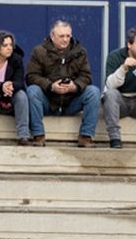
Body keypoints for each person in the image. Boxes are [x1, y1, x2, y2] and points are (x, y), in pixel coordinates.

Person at [24, 19, 101, 147]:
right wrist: (50, 86)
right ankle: (38, 136)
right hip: (48, 101)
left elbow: (86, 76)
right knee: (32, 91)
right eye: (61, 36)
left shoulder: (80, 52)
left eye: (68, 36)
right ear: (52, 36)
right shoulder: (39, 51)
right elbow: (31, 76)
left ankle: (86, 137)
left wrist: (74, 86)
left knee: (93, 92)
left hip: (71, 101)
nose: (65, 39)